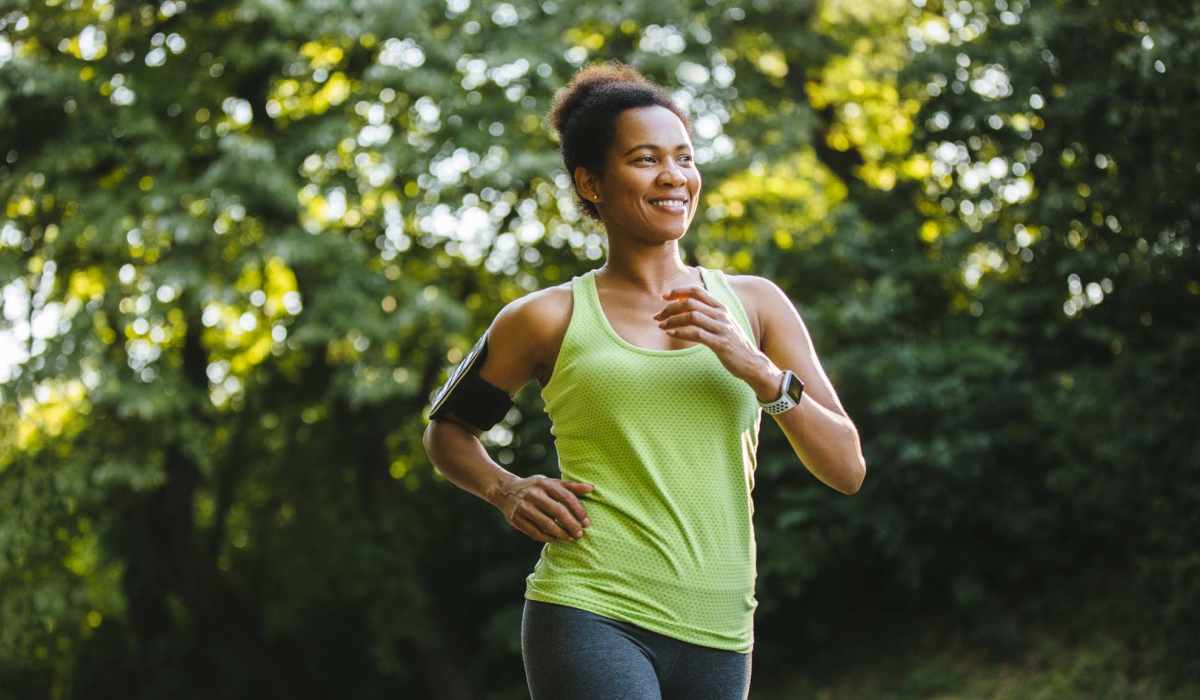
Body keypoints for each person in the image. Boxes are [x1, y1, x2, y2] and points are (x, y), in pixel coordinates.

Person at [422, 61, 866, 700]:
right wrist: (506, 489)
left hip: (720, 627)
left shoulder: (757, 306)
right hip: (590, 608)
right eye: (645, 159)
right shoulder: (545, 318)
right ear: (591, 183)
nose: (674, 177)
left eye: (684, 157)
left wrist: (762, 373)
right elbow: (448, 432)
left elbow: (847, 467)